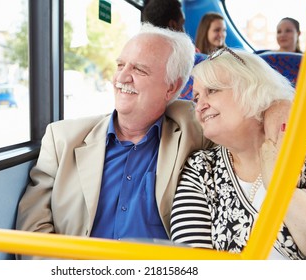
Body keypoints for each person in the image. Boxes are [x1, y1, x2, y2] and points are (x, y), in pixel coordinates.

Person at [15, 23, 212, 259]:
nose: (121, 77)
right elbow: (32, 233)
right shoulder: (63, 140)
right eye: (120, 65)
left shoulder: (195, 132)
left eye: (139, 70)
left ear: (172, 87)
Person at [170, 47, 306, 260]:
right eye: (195, 98)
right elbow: (191, 263)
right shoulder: (201, 168)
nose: (200, 106)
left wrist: (280, 187)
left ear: (252, 89)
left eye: (212, 90)